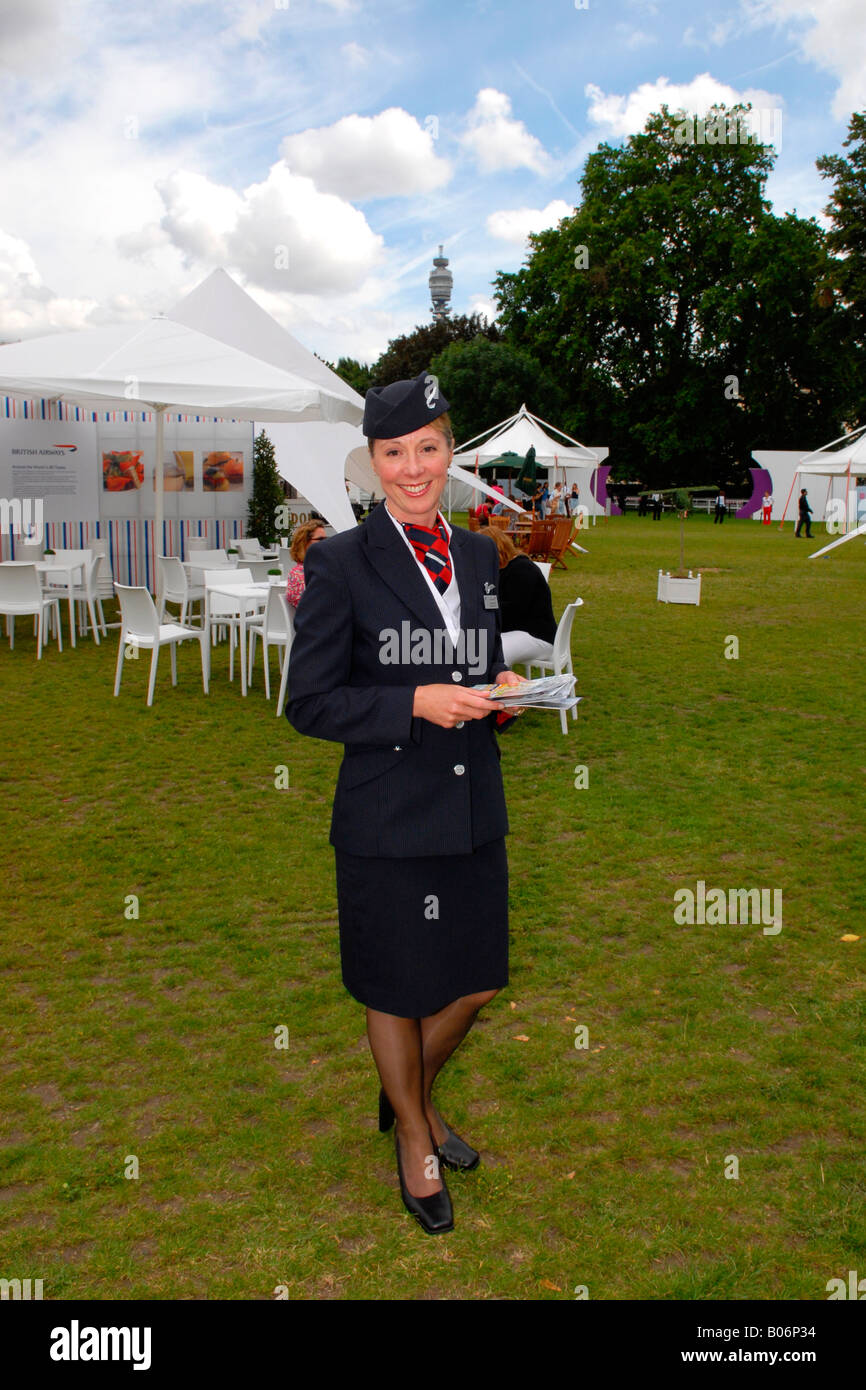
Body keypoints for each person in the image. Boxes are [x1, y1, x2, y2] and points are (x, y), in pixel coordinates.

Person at [285, 369, 525, 1236]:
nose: (414, 468)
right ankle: (416, 1134)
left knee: (476, 982)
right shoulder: (339, 560)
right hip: (386, 809)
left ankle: (406, 1092)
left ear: (450, 451)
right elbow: (309, 702)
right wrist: (412, 702)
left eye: (428, 448)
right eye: (394, 453)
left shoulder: (479, 556)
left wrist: (500, 692)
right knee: (394, 985)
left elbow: (474, 665)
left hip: (470, 804)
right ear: (372, 464)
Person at [488, 529, 557, 669]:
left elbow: (513, 612)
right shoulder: (500, 570)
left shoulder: (522, 569)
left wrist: (484, 611)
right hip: (517, 630)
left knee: (493, 651)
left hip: (537, 635)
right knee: (475, 644)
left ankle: (493, 681)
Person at [285, 519, 327, 608]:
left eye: (326, 539)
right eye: (320, 539)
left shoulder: (324, 567)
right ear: (304, 542)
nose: (326, 543)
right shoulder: (298, 574)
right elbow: (312, 606)